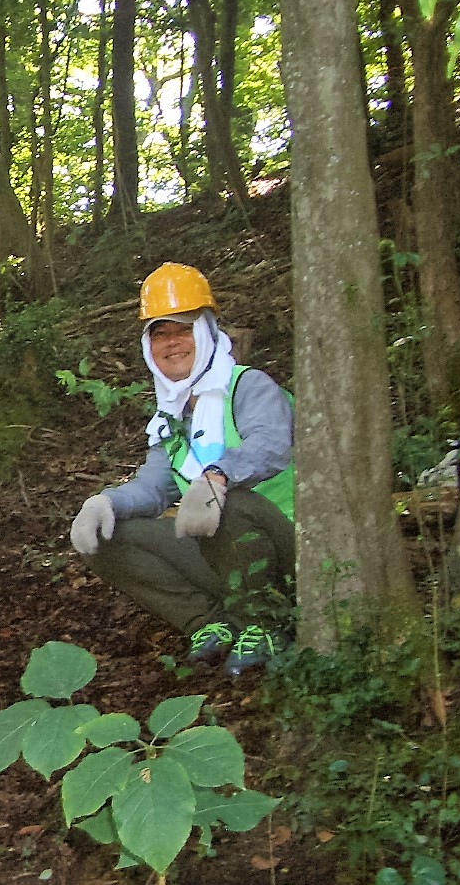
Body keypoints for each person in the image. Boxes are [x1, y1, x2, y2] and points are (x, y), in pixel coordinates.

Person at [69, 262, 295, 676]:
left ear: (206, 333)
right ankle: (212, 622)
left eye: (183, 329)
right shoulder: (171, 414)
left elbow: (272, 446)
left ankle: (266, 624)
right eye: (160, 332)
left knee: (231, 504)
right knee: (110, 534)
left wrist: (216, 477)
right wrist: (105, 502)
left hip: (290, 550)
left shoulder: (249, 386)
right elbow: (153, 486)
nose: (172, 343)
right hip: (226, 555)